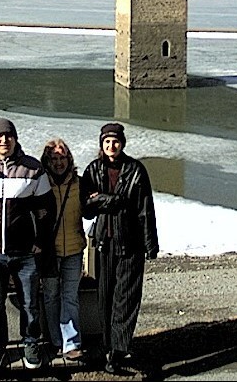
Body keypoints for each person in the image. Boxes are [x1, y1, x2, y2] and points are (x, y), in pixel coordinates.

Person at [0, 117, 55, 371]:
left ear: (15, 138)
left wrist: (39, 243)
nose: (4, 140)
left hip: (26, 252)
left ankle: (30, 343)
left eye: (9, 136)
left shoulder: (32, 168)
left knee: (29, 302)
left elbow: (46, 208)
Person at [80, 122, 159, 375]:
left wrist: (151, 243)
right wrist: (109, 201)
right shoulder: (94, 170)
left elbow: (145, 209)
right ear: (101, 145)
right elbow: (85, 207)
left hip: (131, 243)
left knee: (126, 298)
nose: (111, 146)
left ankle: (117, 350)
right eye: (106, 142)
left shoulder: (136, 170)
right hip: (104, 243)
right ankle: (106, 345)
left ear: (122, 143)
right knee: (105, 297)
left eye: (115, 141)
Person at [39, 138, 88, 364]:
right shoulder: (40, 184)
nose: (59, 163)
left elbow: (89, 209)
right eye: (54, 158)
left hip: (74, 249)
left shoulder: (79, 183)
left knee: (70, 297)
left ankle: (71, 344)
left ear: (69, 159)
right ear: (47, 161)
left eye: (62, 158)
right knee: (50, 296)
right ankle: (56, 341)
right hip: (50, 251)